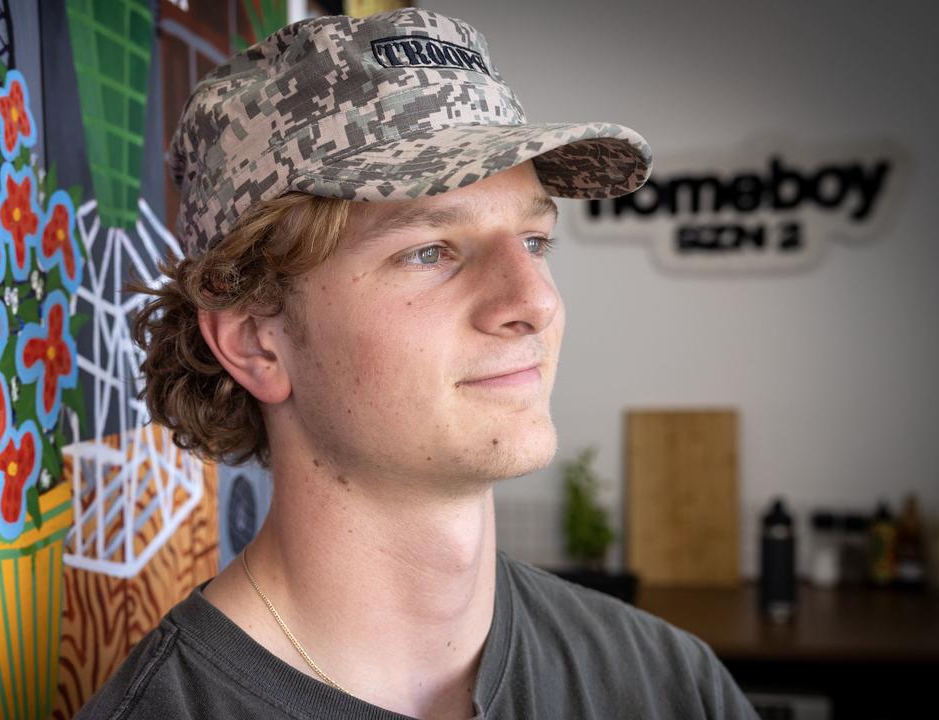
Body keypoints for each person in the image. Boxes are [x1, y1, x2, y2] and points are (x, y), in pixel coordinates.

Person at [78, 8, 759, 720]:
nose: (534, 302)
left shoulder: (666, 684)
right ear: (255, 341)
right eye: (430, 251)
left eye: (533, 240)